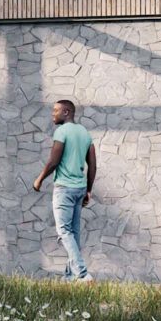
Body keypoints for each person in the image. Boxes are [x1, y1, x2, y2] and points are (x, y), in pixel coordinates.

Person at [30, 97, 98, 281]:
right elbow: (92, 164)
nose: (53, 114)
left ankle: (83, 274)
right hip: (79, 189)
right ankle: (69, 277)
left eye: (56, 110)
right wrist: (88, 190)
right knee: (73, 234)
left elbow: (54, 160)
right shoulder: (84, 132)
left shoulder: (62, 131)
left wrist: (39, 178)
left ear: (66, 112)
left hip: (64, 189)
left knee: (64, 232)